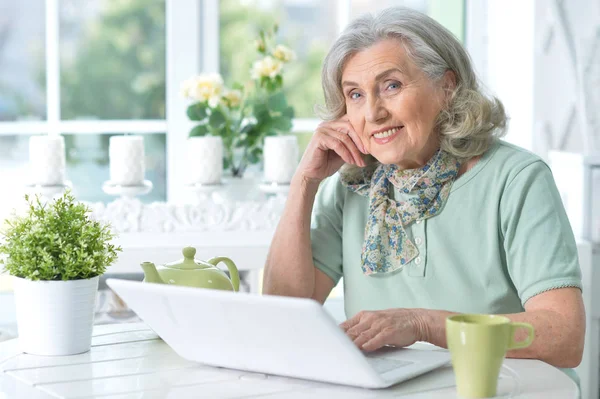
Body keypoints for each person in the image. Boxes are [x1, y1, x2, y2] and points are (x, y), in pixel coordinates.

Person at [262, 6, 585, 373]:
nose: (373, 113)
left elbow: (565, 336)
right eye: (355, 95)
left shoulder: (517, 179)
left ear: (447, 87)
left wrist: (422, 323)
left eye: (392, 86)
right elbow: (282, 317)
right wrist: (304, 183)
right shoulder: (351, 187)